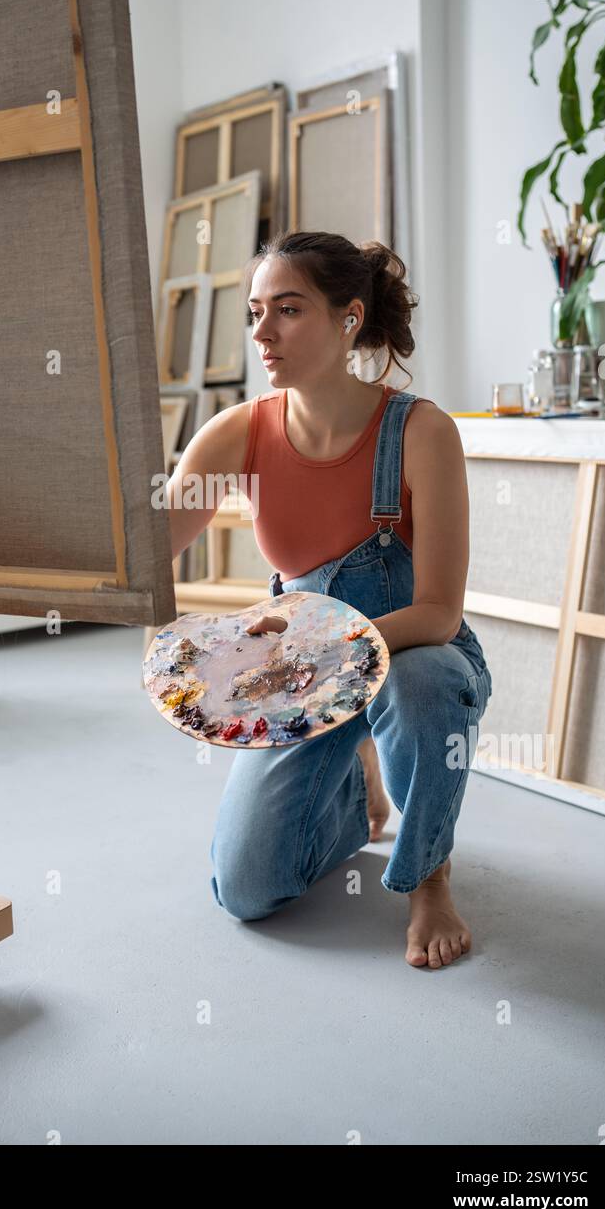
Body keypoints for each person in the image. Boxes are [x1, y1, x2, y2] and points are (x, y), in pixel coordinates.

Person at [166, 230, 492, 969]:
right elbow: (148, 550)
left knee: (422, 685)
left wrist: (319, 654)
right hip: (304, 673)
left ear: (349, 318)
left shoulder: (422, 433)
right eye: (256, 312)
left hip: (412, 649)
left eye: (287, 309)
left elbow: (439, 611)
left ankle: (429, 876)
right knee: (246, 889)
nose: (261, 333)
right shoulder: (237, 436)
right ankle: (357, 788)